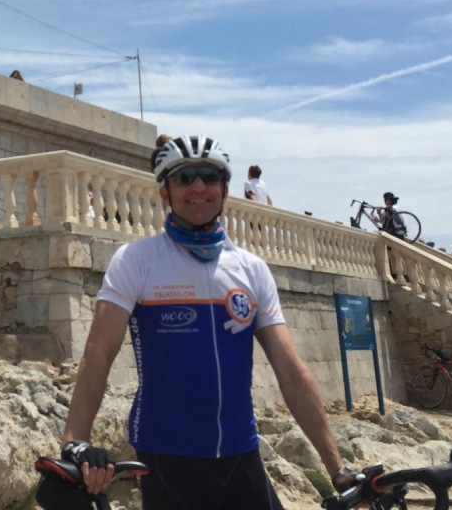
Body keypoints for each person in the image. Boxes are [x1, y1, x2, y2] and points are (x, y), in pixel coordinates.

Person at [60, 135, 351, 510]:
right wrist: (74, 441)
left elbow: (291, 372)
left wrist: (339, 469)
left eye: (209, 177)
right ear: (165, 192)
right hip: (168, 459)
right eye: (184, 178)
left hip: (241, 453)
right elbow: (97, 354)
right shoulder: (136, 260)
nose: (198, 186)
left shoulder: (251, 269)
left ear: (225, 189)